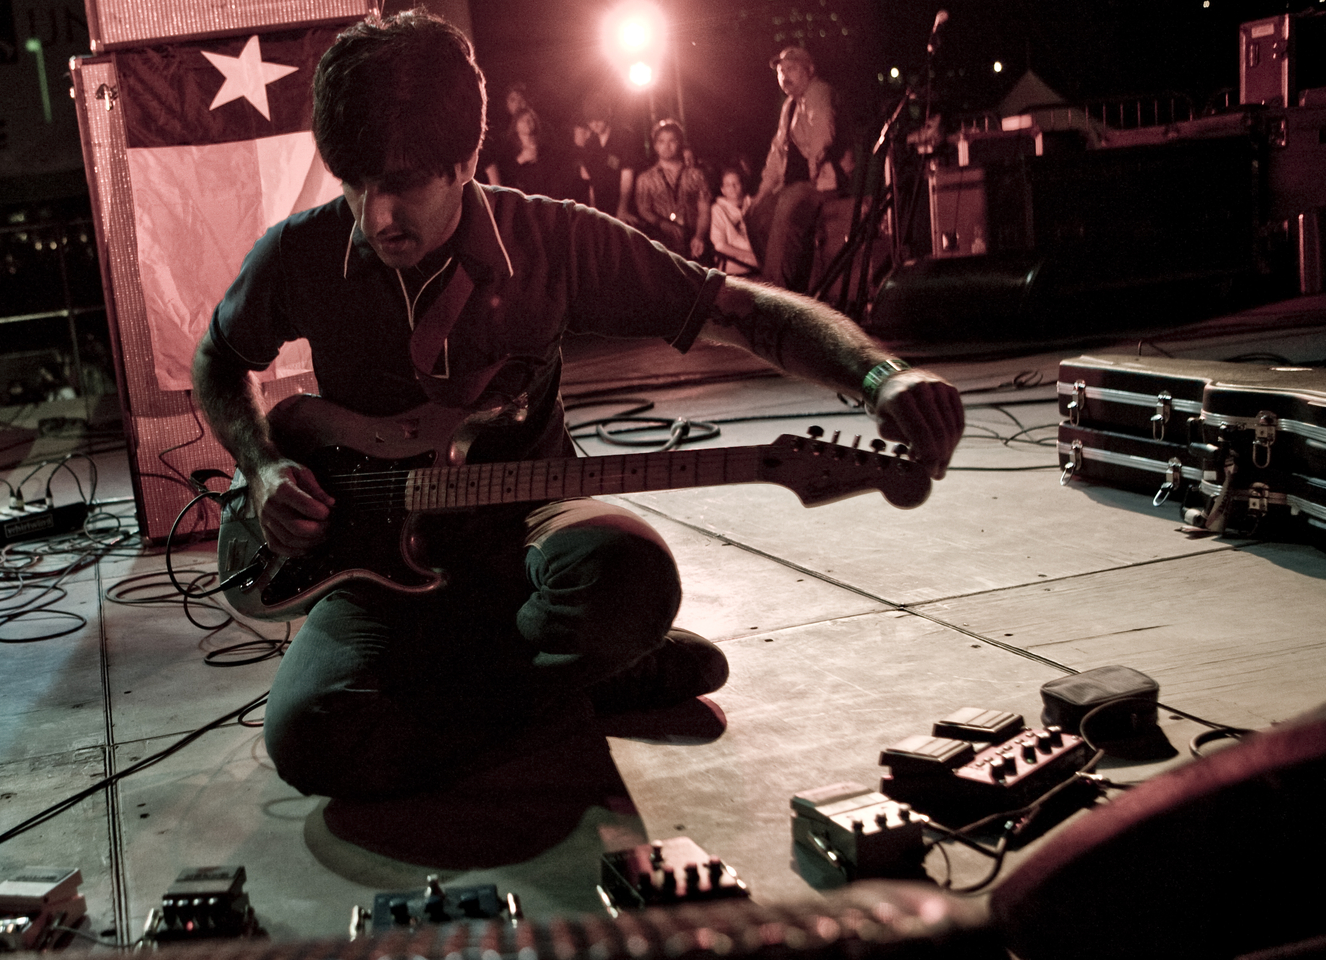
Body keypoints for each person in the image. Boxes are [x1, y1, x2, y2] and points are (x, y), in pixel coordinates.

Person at [192, 10, 964, 801]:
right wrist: (261, 466)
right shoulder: (300, 254)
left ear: (465, 160)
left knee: (633, 577)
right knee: (308, 735)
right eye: (356, 182)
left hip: (529, 528)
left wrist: (877, 375)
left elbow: (740, 311)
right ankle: (580, 677)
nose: (378, 214)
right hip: (369, 559)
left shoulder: (551, 241)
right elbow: (219, 360)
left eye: (405, 182)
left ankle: (522, 664)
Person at [747, 44, 848, 292]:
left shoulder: (818, 91)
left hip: (821, 182)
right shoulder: (788, 106)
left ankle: (775, 290)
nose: (784, 76)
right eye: (781, 71)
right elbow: (776, 153)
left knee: (788, 203)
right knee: (755, 214)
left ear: (809, 70)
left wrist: (813, 169)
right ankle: (790, 284)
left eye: (791, 69)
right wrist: (762, 192)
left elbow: (822, 129)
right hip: (793, 185)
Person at [633, 120, 711, 261]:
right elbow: (644, 210)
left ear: (679, 143)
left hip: (693, 241)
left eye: (672, 141)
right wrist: (664, 225)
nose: (666, 146)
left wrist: (699, 236)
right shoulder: (645, 179)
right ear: (655, 145)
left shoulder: (696, 175)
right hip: (662, 244)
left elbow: (704, 210)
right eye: (661, 141)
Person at [578, 92, 644, 225]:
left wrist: (623, 208)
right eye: (590, 120)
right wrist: (593, 210)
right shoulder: (590, 144)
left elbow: (627, 175)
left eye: (598, 119)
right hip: (602, 207)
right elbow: (592, 182)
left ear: (607, 113)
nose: (594, 124)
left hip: (625, 205)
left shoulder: (624, 136)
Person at [710, 163, 759, 276]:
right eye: (728, 185)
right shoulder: (718, 209)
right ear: (723, 190)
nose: (732, 188)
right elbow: (720, 245)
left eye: (735, 183)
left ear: (742, 185)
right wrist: (751, 256)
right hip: (734, 268)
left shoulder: (754, 204)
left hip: (759, 268)